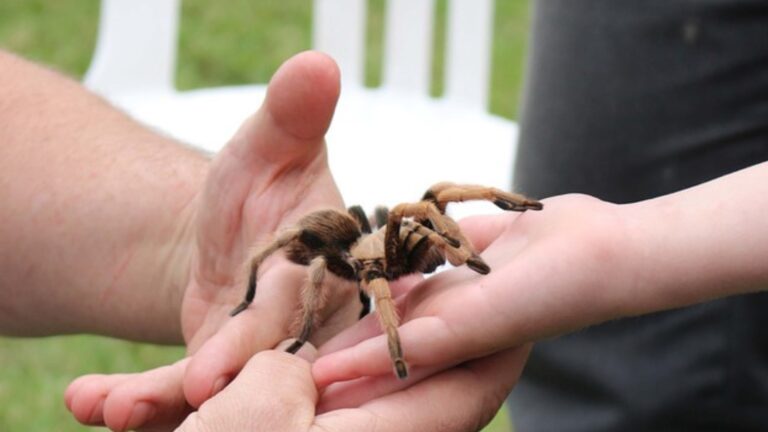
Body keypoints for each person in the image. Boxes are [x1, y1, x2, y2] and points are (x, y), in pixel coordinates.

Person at [1, 49, 519, 431]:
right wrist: (375, 340)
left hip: (365, 244)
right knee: (327, 261)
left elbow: (423, 212)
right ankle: (304, 317)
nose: (424, 236)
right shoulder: (355, 263)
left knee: (421, 205)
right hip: (345, 258)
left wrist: (469, 249)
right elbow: (343, 267)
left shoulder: (402, 230)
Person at [310, 2, 768, 431]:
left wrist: (618, 246)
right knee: (549, 348)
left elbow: (422, 210)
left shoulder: (401, 230)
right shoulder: (344, 258)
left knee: (659, 377)